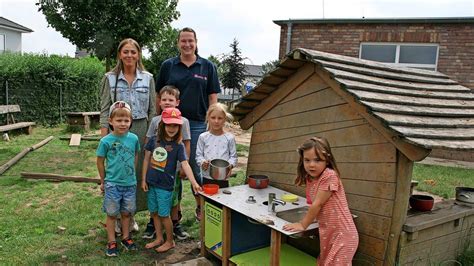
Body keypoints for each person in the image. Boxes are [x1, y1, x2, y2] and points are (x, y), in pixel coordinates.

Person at [156, 27, 221, 220]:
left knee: (193, 166)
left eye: (190, 41)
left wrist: (212, 120)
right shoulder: (169, 65)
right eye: (183, 41)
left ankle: (201, 206)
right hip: (170, 123)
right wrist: (158, 118)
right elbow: (159, 94)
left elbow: (213, 96)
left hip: (197, 124)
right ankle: (173, 213)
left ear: (196, 42)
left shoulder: (207, 66)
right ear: (178, 43)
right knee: (169, 168)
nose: (187, 44)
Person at [99, 38, 157, 232]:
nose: (130, 55)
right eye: (126, 52)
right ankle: (114, 216)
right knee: (117, 172)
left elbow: (152, 110)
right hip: (117, 132)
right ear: (119, 55)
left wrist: (151, 136)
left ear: (138, 54)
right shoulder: (110, 78)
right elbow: (105, 109)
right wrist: (104, 136)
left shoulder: (148, 78)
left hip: (141, 129)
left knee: (137, 172)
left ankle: (130, 215)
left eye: (133, 52)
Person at [283, 137, 359, 265]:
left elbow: (317, 204)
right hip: (328, 233)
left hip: (343, 234)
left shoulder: (329, 175)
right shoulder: (311, 178)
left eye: (317, 160)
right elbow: (311, 202)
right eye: (307, 160)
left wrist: (303, 225)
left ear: (327, 160)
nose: (311, 164)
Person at [141, 107, 202, 253]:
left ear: (179, 127)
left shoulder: (179, 146)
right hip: (151, 183)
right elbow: (146, 159)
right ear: (162, 124)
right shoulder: (154, 141)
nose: (172, 128)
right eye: (169, 124)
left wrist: (194, 182)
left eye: (175, 125)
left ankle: (170, 241)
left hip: (165, 186)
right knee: (154, 212)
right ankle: (159, 238)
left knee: (163, 214)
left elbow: (185, 164)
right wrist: (143, 179)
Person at [142, 85, 191, 240]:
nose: (167, 102)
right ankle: (153, 224)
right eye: (164, 99)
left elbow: (186, 143)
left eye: (171, 99)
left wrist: (184, 166)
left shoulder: (183, 121)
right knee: (155, 197)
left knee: (174, 198)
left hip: (174, 169)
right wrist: (148, 163)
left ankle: (175, 224)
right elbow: (149, 141)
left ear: (177, 102)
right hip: (156, 168)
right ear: (159, 102)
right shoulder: (155, 121)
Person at [96, 101, 140, 257]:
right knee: (112, 213)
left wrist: (132, 172)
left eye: (126, 121)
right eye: (119, 120)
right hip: (113, 184)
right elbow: (100, 161)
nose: (123, 124)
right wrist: (103, 180)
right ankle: (111, 240)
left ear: (131, 121)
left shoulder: (134, 138)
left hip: (130, 184)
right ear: (110, 121)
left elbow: (135, 154)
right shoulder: (105, 141)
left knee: (127, 213)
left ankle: (126, 237)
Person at [196, 103, 237, 188]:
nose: (216, 121)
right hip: (207, 176)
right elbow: (198, 155)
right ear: (208, 118)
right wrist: (203, 162)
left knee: (222, 200)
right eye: (213, 117)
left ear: (224, 119)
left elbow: (233, 157)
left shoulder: (230, 138)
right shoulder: (203, 137)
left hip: (223, 177)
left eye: (220, 118)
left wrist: (230, 166)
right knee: (207, 197)